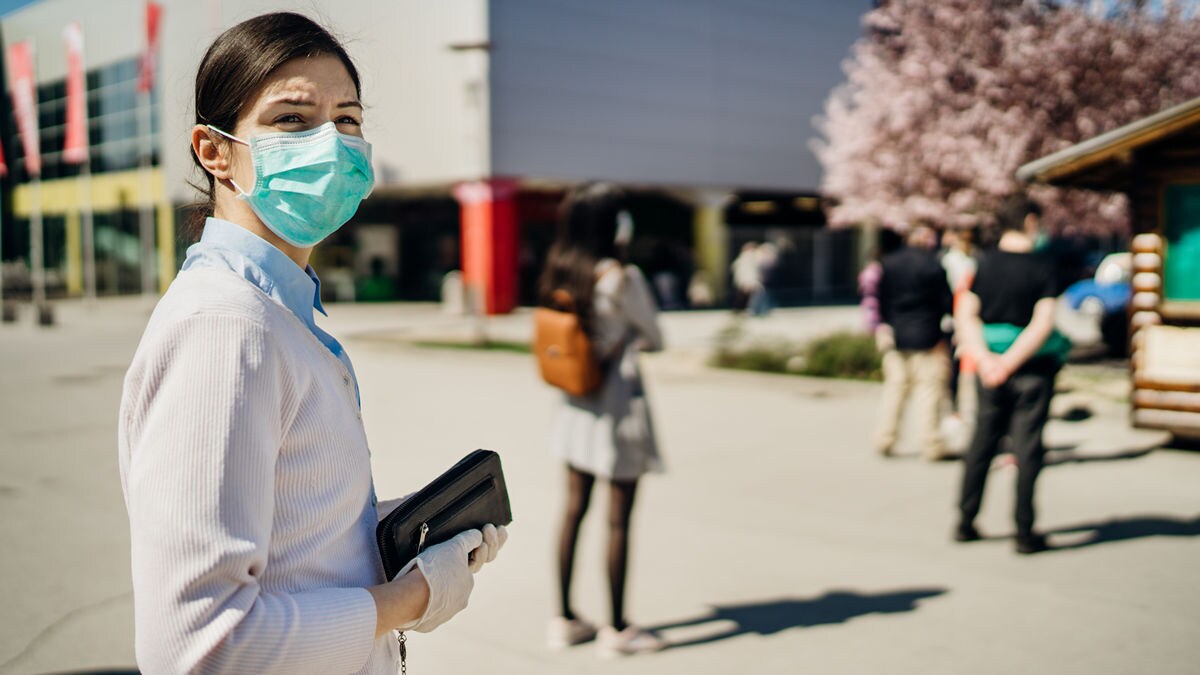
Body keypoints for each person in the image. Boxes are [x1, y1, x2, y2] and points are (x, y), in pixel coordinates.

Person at [117, 14, 506, 673]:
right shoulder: (226, 326)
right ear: (214, 151)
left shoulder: (280, 311)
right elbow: (198, 645)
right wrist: (410, 597)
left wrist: (389, 527)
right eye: (293, 120)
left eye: (348, 120)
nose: (330, 142)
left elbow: (286, 542)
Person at [538, 182, 667, 656]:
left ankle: (564, 619)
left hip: (574, 406)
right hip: (615, 409)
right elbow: (656, 336)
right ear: (611, 222)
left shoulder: (563, 268)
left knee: (573, 509)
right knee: (618, 519)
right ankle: (618, 628)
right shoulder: (622, 276)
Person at [954, 196, 1067, 555]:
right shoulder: (1044, 266)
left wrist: (987, 360)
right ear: (1031, 222)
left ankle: (965, 520)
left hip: (989, 370)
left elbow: (966, 314)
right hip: (1032, 369)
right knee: (1027, 448)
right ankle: (1023, 530)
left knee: (981, 443)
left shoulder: (983, 263)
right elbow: (1043, 322)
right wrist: (1011, 362)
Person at [874, 225, 954, 460]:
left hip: (898, 334)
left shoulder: (890, 262)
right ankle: (931, 442)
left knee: (895, 388)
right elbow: (946, 302)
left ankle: (885, 437)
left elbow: (881, 299)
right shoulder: (933, 264)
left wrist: (888, 325)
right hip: (928, 334)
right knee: (929, 390)